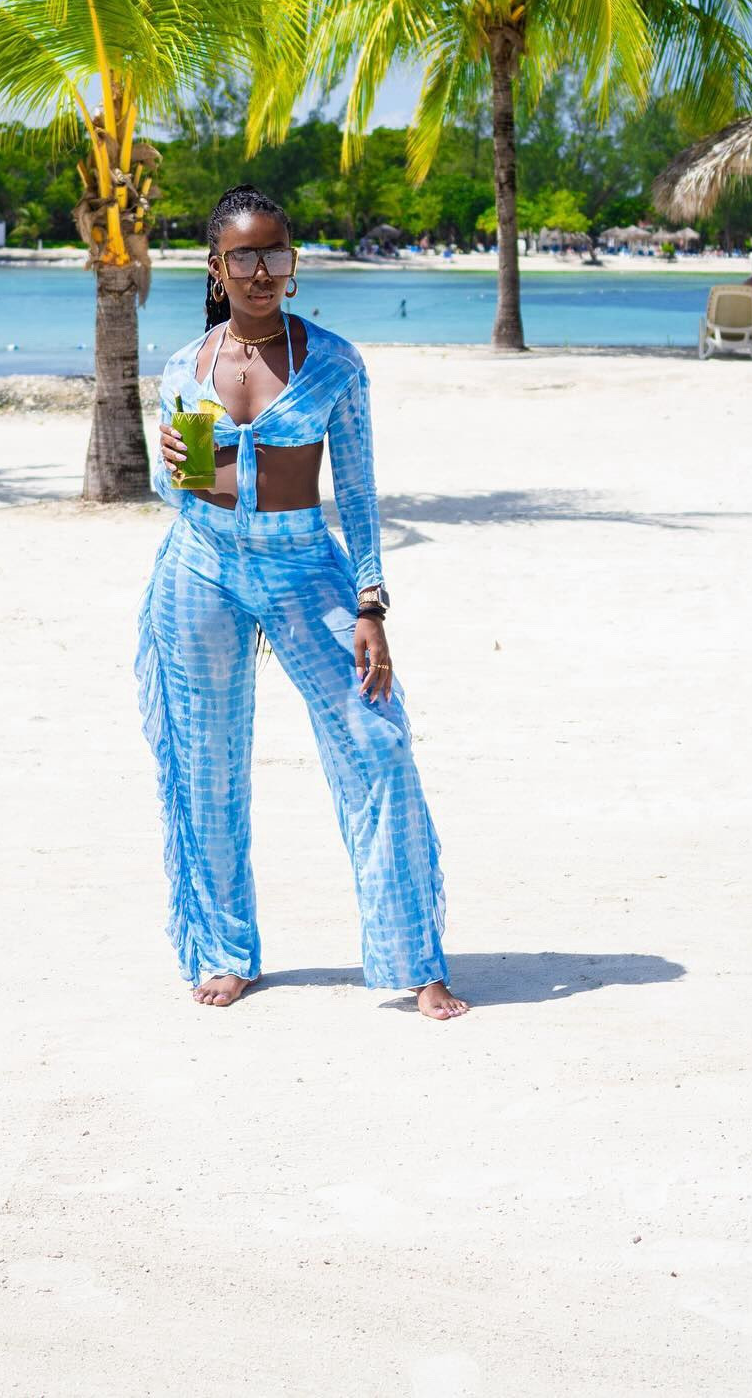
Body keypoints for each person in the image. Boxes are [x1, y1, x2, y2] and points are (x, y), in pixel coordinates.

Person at [139, 184, 466, 1021]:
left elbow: (356, 493)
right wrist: (166, 457)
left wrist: (371, 605)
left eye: (274, 253)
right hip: (202, 566)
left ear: (293, 265)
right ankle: (225, 951)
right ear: (216, 268)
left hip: (299, 565)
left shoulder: (333, 362)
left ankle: (414, 958)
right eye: (243, 256)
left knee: (378, 743)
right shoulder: (187, 366)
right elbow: (179, 492)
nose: (260, 269)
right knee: (206, 765)